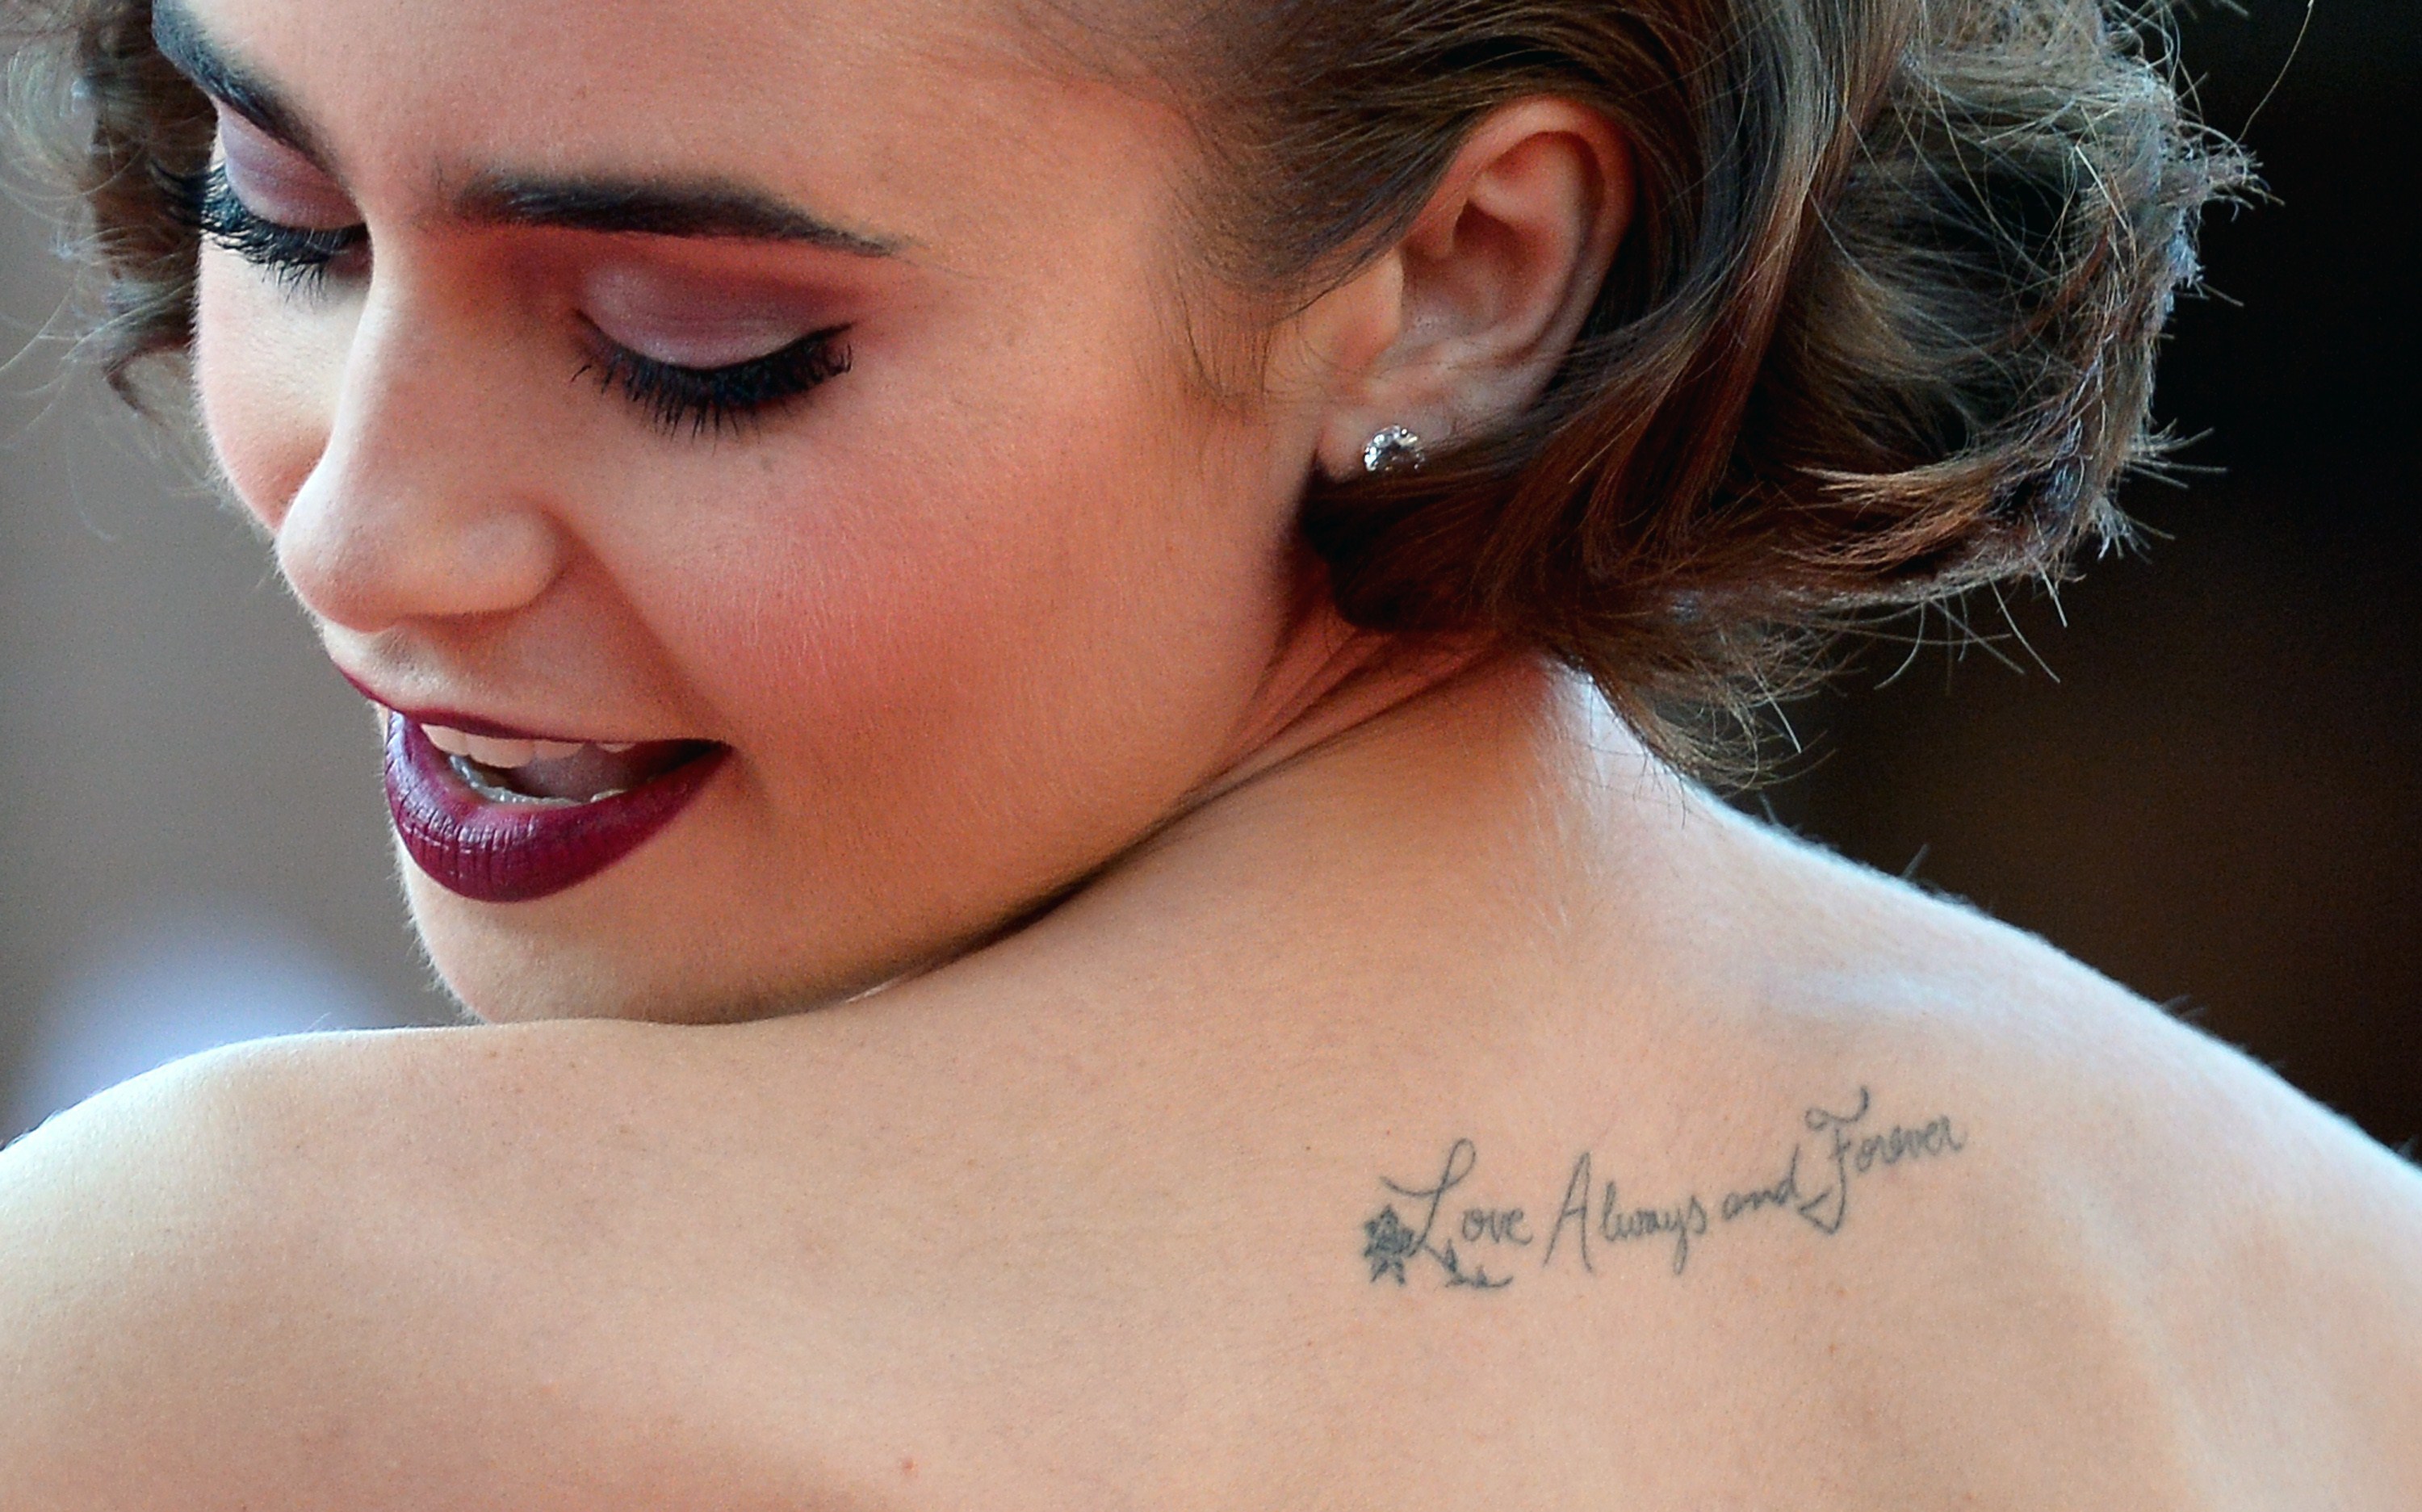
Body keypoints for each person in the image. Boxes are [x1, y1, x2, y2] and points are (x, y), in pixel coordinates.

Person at [2, 0, 2416, 1503]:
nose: (361, 533)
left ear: (1466, 279)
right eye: (282, 212)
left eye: (692, 340)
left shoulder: (233, 1329)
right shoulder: (2328, 1308)